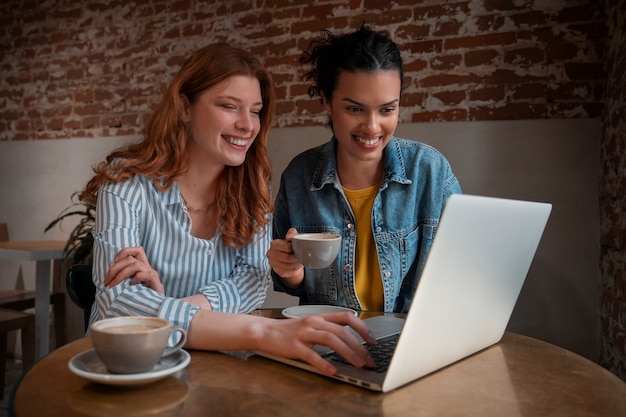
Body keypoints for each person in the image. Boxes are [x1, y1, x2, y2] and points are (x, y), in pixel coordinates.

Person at [80, 43, 376, 375]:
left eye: (255, 110)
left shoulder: (253, 190)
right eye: (228, 106)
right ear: (184, 107)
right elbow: (118, 306)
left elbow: (252, 280)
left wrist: (166, 310)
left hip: (211, 367)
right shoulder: (126, 184)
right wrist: (258, 332)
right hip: (126, 368)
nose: (248, 125)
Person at [267, 26, 462, 313]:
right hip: (329, 337)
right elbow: (290, 284)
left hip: (408, 342)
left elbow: (458, 276)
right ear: (327, 102)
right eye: (355, 109)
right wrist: (291, 272)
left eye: (387, 110)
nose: (372, 127)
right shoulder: (299, 176)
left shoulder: (430, 172)